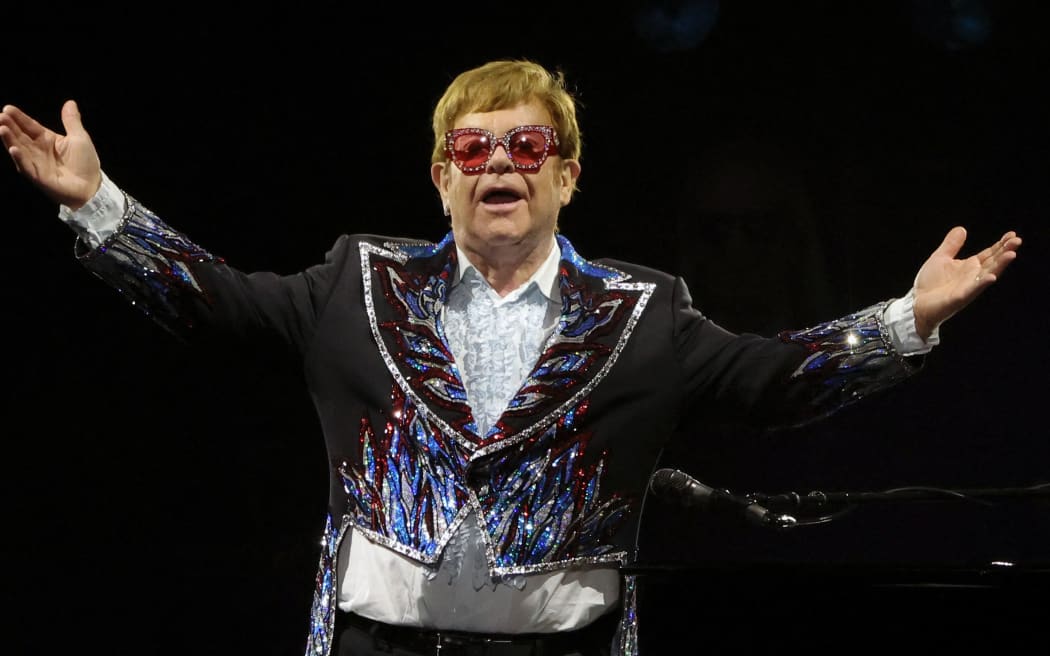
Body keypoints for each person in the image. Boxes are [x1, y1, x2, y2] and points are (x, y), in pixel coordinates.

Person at [0, 58, 1022, 656]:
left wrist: (905, 318)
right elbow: (213, 302)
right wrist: (101, 208)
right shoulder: (358, 282)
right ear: (441, 172)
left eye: (528, 147)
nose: (500, 163)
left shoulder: (642, 310)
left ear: (567, 174)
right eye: (476, 147)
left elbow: (771, 380)